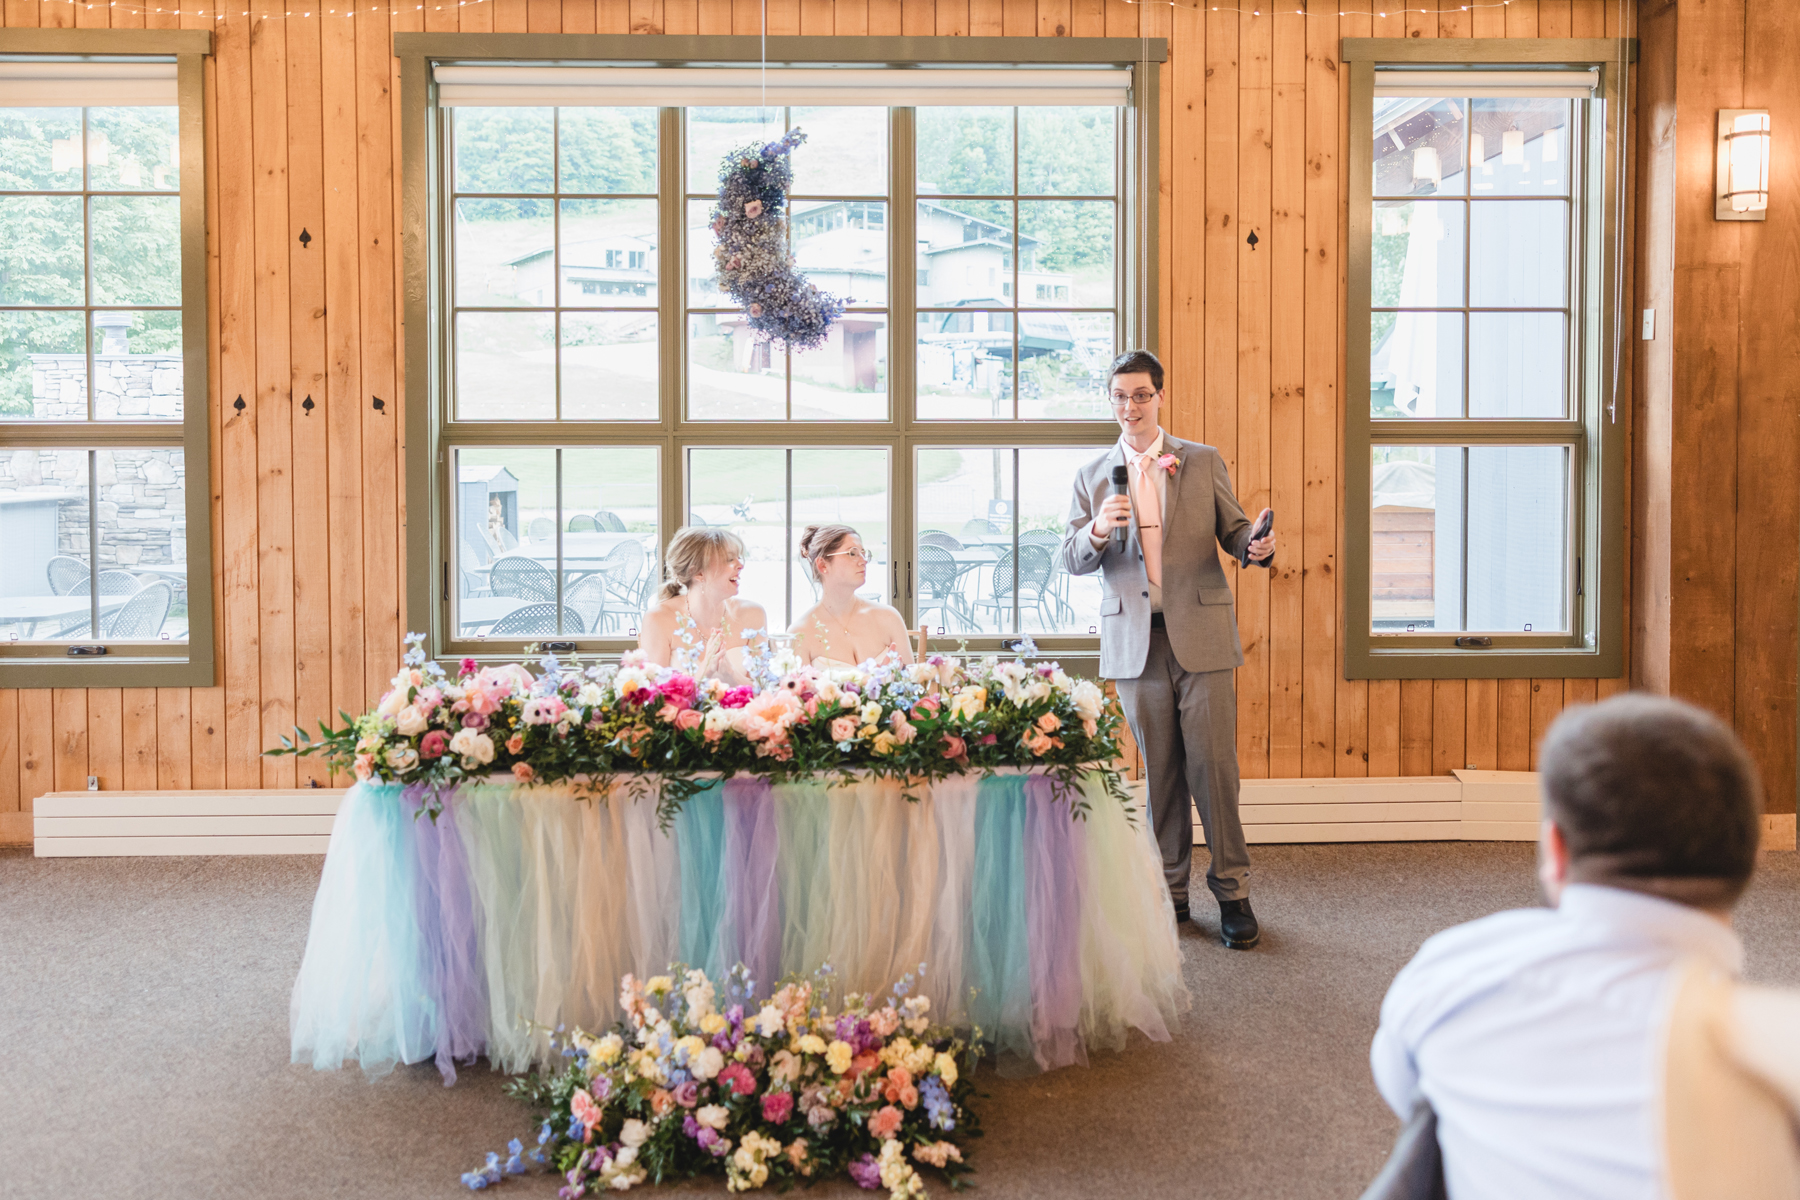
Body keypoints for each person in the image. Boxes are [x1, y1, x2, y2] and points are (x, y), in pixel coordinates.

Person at [1370, 694, 1768, 1200]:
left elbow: (1408, 1097)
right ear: (1750, 857)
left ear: (1555, 850)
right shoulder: (1779, 1053)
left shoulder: (1452, 973)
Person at [1062, 348, 1274, 946]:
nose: (1131, 406)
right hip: (1135, 644)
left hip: (1201, 636)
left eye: (1141, 395)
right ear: (1111, 401)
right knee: (1161, 773)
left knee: (1215, 770)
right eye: (1120, 396)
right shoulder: (1091, 476)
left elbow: (1234, 530)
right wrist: (1100, 528)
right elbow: (1071, 559)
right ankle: (1170, 892)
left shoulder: (1200, 460)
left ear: (1159, 396)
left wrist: (1253, 547)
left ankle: (1233, 893)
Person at [637, 527, 769, 687]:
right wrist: (704, 672)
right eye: (729, 560)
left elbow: (764, 691)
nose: (740, 565)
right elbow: (655, 698)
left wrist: (732, 675)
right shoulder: (658, 619)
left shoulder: (753, 615)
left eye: (739, 558)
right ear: (698, 573)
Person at [788, 524, 914, 669]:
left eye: (863, 553)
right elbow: (798, 690)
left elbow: (913, 686)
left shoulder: (890, 618)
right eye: (852, 554)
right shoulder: (799, 633)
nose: (864, 560)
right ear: (823, 565)